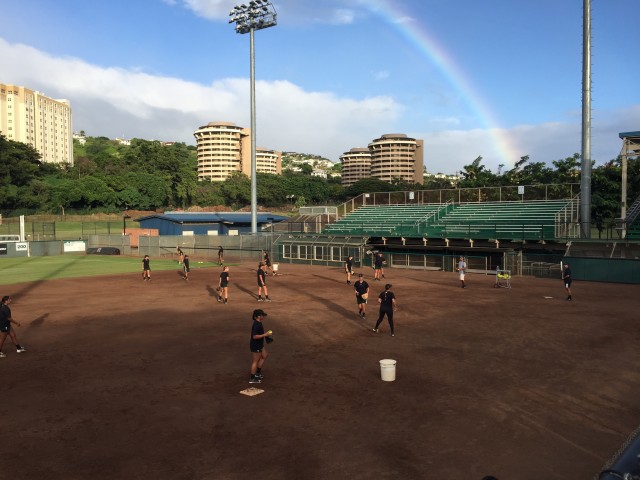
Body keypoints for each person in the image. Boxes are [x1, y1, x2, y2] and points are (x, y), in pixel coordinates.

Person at [249, 309, 272, 384]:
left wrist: (266, 336)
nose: (263, 316)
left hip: (259, 344)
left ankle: (258, 373)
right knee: (255, 361)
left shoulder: (259, 323)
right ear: (258, 316)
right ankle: (252, 378)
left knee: (264, 355)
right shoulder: (256, 325)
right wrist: (265, 335)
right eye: (262, 315)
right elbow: (254, 336)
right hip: (256, 345)